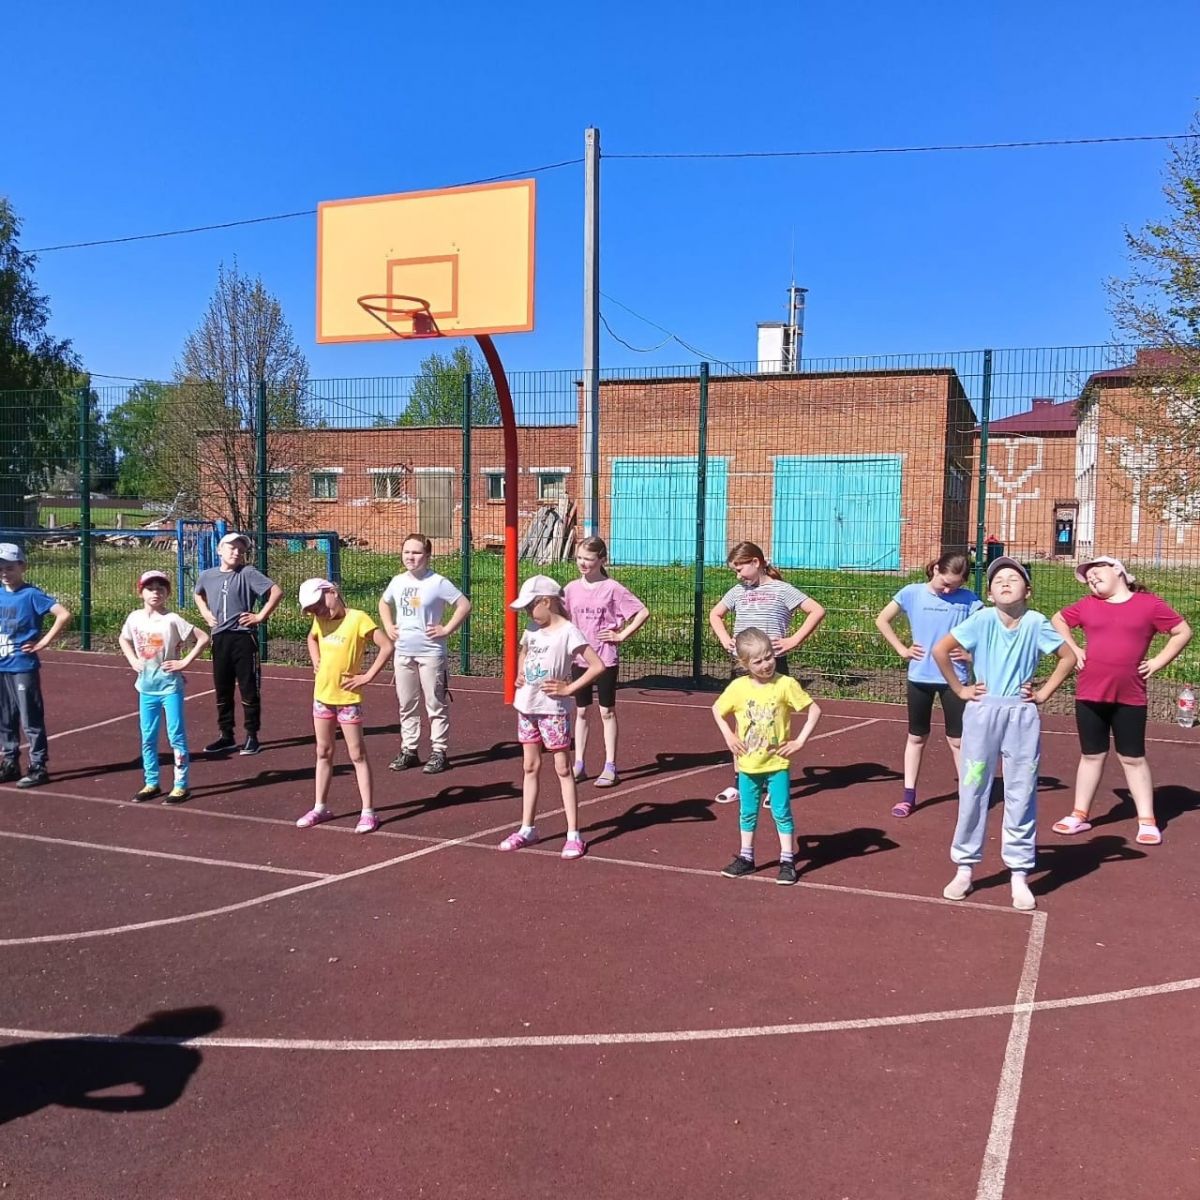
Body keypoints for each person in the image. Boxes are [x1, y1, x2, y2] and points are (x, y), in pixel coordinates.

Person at [931, 556, 1076, 911]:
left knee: (1021, 793)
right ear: (990, 594)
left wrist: (1043, 693)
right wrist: (961, 689)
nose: (1005, 582)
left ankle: (1019, 873)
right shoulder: (981, 620)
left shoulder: (1036, 623)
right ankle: (964, 867)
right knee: (973, 789)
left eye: (1013, 577)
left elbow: (1068, 657)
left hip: (1020, 715)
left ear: (1028, 590)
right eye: (998, 580)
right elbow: (940, 650)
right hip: (982, 713)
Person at [1049, 555, 1191, 846]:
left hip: (1130, 696)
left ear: (1118, 571)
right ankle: (1079, 814)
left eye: (1096, 571)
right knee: (1091, 755)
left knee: (1132, 758)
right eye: (1087, 577)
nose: (1091, 578)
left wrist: (1158, 662)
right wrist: (1074, 648)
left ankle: (1147, 820)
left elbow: (1182, 631)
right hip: (1089, 693)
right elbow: (1058, 619)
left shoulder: (1148, 605)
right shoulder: (1087, 605)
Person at [708, 541, 825, 804]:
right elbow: (715, 615)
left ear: (756, 562)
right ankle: (741, 781)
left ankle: (774, 783)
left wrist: (794, 640)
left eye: (740, 569)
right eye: (735, 571)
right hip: (744, 666)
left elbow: (817, 610)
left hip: (772, 663)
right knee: (743, 722)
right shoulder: (738, 591)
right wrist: (725, 639)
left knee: (773, 721)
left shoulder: (782, 589)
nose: (738, 576)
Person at [498, 575, 605, 860]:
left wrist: (568, 689)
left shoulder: (568, 632)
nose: (526, 612)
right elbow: (524, 652)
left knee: (562, 768)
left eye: (529, 606)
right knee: (529, 766)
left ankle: (573, 834)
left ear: (546, 601)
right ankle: (527, 829)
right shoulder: (532, 629)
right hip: (527, 706)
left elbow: (597, 665)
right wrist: (520, 674)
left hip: (553, 710)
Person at [874, 550, 981, 818]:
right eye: (945, 583)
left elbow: (988, 631)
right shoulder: (912, 593)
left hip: (955, 680)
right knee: (917, 736)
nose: (948, 590)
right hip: (920, 677)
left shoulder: (969, 600)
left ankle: (968, 798)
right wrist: (902, 649)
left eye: (954, 586)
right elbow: (882, 619)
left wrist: (972, 654)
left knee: (958, 740)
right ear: (935, 570)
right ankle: (908, 796)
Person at [712, 627, 822, 885]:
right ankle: (746, 857)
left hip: (776, 764)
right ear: (744, 664)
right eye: (758, 661)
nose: (766, 665)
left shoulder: (785, 684)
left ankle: (787, 860)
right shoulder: (738, 687)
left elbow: (814, 711)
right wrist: (729, 736)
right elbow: (717, 709)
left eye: (769, 657)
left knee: (781, 811)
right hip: (748, 765)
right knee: (747, 812)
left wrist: (799, 741)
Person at [294, 579, 393, 835]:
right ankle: (320, 807)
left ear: (332, 592)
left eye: (319, 605)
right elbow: (312, 638)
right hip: (322, 696)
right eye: (312, 610)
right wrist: (315, 660)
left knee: (357, 754)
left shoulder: (358, 619)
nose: (319, 612)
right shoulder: (320, 621)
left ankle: (368, 811)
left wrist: (367, 676)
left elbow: (386, 645)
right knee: (323, 751)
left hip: (348, 699)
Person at [378, 533, 471, 776]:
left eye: (417, 552)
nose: (411, 557)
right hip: (403, 652)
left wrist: (446, 629)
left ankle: (439, 751)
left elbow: (464, 605)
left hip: (430, 652)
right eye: (407, 551)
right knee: (406, 703)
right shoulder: (398, 581)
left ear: (427, 555)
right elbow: (384, 603)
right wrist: (388, 625)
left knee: (435, 703)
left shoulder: (438, 582)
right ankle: (409, 750)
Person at [562, 536, 650, 788]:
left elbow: (642, 612)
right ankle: (579, 764)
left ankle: (610, 765)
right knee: (581, 711)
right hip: (580, 659)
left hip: (605, 658)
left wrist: (621, 635)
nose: (582, 563)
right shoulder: (570, 589)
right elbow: (562, 620)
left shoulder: (613, 588)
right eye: (579, 558)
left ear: (602, 559)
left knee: (606, 711)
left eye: (588, 559)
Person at [119, 570, 211, 803]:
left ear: (167, 593)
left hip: (170, 688)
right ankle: (151, 782)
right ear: (141, 592)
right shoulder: (135, 618)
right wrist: (132, 660)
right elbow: (124, 638)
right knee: (148, 737)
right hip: (146, 688)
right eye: (150, 589)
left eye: (160, 589)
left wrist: (184, 662)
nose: (155, 593)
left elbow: (203, 637)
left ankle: (181, 785)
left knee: (175, 736)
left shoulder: (172, 619)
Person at [193, 532, 282, 756]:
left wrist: (260, 616)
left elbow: (276, 592)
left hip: (243, 638)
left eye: (241, 550)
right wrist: (205, 613)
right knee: (222, 688)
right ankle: (226, 736)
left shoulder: (247, 573)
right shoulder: (207, 575)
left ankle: (252, 735)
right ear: (219, 550)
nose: (237, 552)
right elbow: (198, 594)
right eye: (232, 548)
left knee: (248, 688)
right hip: (220, 638)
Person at [0, 542, 71, 788]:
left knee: (30, 717)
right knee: (5, 717)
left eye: (10, 568)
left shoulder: (31, 594)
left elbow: (63, 614)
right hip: (2, 665)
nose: (5, 573)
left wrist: (43, 642)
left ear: (22, 567)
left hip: (22, 666)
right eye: (1, 568)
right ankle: (10, 762)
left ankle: (38, 766)